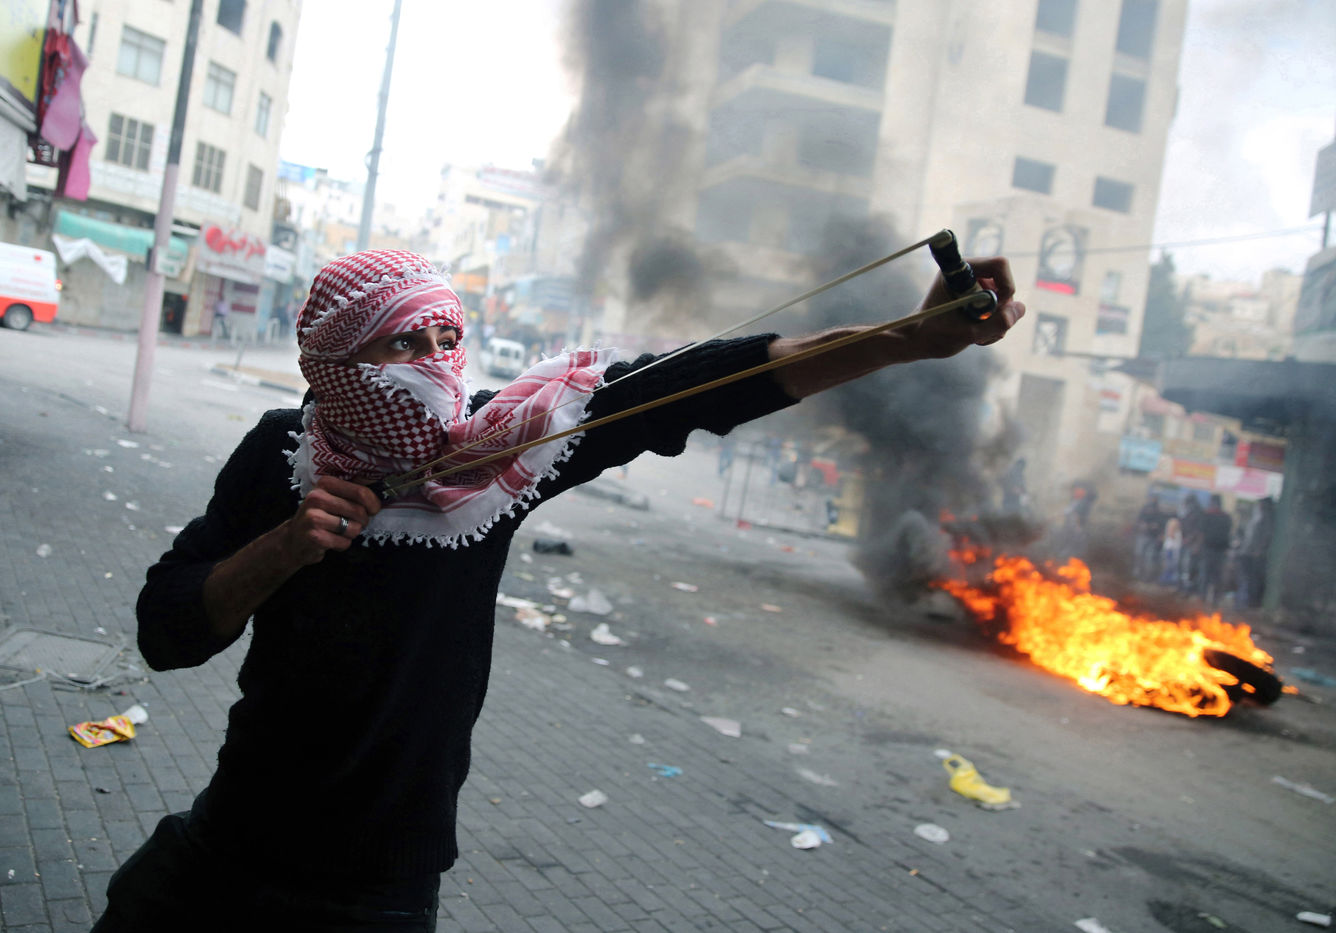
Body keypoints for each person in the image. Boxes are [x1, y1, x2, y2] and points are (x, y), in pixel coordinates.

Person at [91, 248, 1024, 932]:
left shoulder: (495, 456)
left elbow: (696, 386)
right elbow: (166, 631)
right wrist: (284, 548)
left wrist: (905, 336)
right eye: (403, 341)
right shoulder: (278, 455)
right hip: (231, 841)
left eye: (447, 336)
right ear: (336, 367)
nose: (434, 360)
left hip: (377, 887)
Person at [1236, 496, 1275, 608]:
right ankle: (1244, 602)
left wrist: (1259, 550)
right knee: (1246, 579)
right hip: (1248, 553)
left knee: (1252, 580)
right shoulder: (1257, 517)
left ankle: (1250, 603)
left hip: (1256, 555)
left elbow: (1267, 535)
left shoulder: (1267, 519)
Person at [1197, 496, 1234, 605]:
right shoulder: (1226, 517)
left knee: (1205, 574)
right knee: (1217, 576)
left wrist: (1199, 547)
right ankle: (1215, 600)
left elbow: (1201, 533)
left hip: (1209, 549)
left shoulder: (1207, 515)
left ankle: (1203, 597)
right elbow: (1228, 533)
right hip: (1221, 550)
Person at [1131, 494, 1167, 582]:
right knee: (1139, 554)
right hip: (1143, 536)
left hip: (1152, 537)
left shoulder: (1159, 512)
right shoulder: (1144, 510)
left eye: (1155, 499)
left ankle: (1146, 576)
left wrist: (1157, 531)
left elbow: (1160, 525)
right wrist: (1142, 525)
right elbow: (1139, 521)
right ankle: (1136, 573)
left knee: (1149, 557)